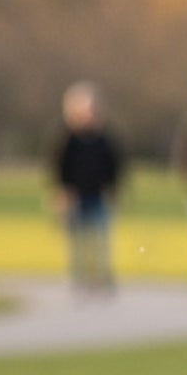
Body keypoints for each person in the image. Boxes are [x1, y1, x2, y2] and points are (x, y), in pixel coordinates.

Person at [53, 81, 123, 292]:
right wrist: (62, 194)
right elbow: (59, 168)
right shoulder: (68, 140)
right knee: (78, 242)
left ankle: (101, 277)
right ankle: (79, 278)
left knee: (100, 240)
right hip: (76, 197)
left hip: (98, 196)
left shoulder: (104, 139)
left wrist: (113, 189)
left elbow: (113, 165)